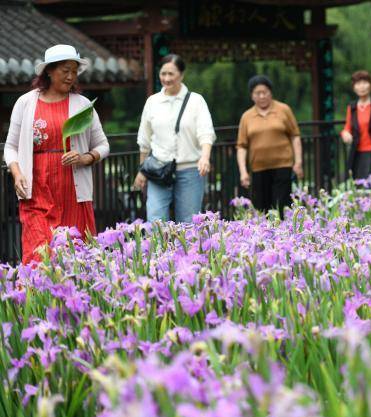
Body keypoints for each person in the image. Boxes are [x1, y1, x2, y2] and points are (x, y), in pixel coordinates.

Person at [3, 44, 109, 264]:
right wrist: (17, 173)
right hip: (37, 190)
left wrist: (84, 158)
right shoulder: (25, 103)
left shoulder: (83, 105)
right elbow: (10, 146)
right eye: (65, 70)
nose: (71, 76)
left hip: (73, 192)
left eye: (74, 71)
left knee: (74, 256)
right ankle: (36, 297)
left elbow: (103, 145)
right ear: (49, 71)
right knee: (39, 254)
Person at [134, 54, 216, 223]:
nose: (166, 78)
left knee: (188, 222)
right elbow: (144, 140)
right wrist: (142, 170)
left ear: (182, 75)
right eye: (163, 73)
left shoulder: (196, 101)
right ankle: (158, 250)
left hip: (190, 170)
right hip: (158, 169)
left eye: (171, 74)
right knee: (155, 220)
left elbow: (206, 132)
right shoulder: (153, 102)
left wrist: (205, 158)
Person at [236, 75, 303, 218]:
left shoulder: (283, 109)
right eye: (257, 93)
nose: (262, 96)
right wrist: (243, 171)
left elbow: (295, 136)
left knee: (282, 206)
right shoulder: (247, 116)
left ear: (270, 92)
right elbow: (241, 146)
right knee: (261, 209)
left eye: (265, 92)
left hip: (283, 166)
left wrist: (298, 162)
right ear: (252, 96)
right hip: (259, 168)